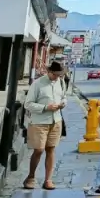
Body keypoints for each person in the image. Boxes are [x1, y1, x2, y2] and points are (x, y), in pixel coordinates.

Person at [23, 61, 67, 190]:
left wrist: (63, 103)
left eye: (59, 75)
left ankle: (48, 179)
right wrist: (45, 107)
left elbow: (64, 96)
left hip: (56, 120)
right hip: (39, 122)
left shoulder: (61, 82)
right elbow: (28, 104)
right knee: (39, 149)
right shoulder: (37, 84)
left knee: (51, 149)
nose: (57, 77)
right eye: (55, 74)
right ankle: (31, 177)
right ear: (49, 72)